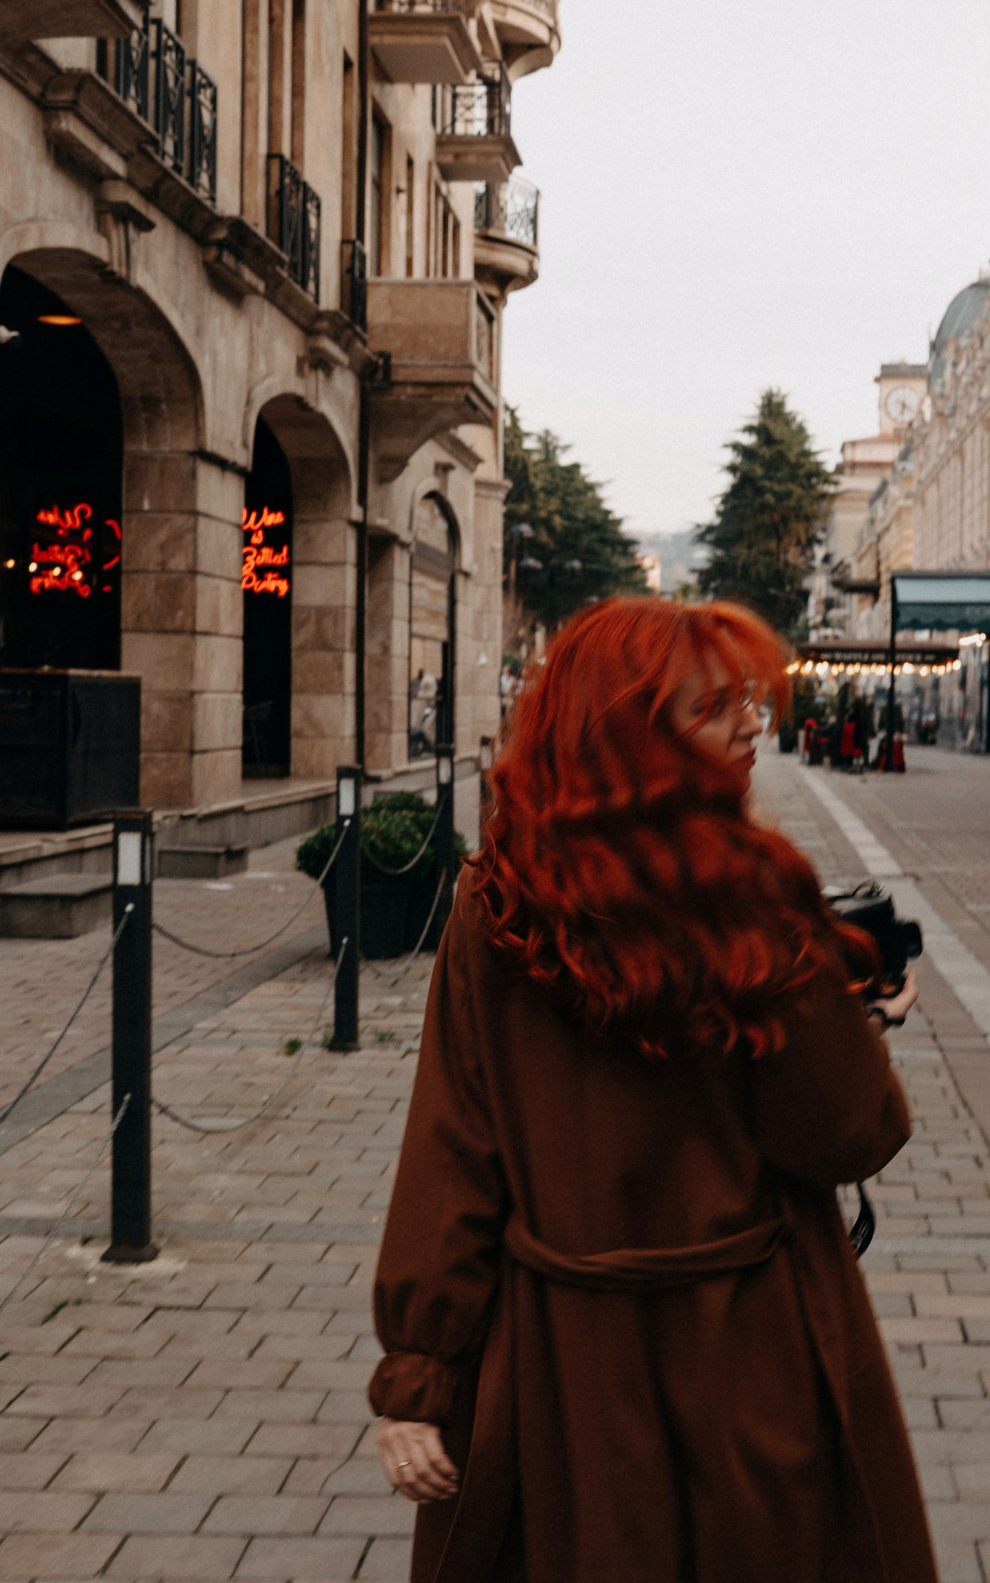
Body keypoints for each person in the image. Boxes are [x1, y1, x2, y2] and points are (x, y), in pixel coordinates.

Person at [368, 597, 935, 1582]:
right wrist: (858, 1025)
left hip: (562, 1369)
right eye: (717, 708)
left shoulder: (498, 905)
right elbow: (848, 1133)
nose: (753, 725)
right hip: (754, 1349)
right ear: (634, 734)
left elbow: (453, 1150)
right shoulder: (754, 895)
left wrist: (420, 1375)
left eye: (748, 700)